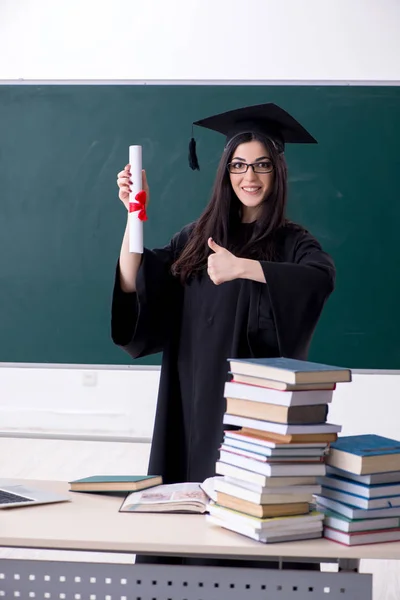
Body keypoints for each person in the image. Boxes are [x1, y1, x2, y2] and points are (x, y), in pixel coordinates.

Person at [111, 102, 336, 488]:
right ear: (226, 172)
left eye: (262, 164)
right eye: (239, 164)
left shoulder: (292, 242)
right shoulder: (195, 238)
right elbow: (134, 281)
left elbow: (319, 279)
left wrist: (244, 268)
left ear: (277, 171)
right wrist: (135, 214)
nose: (250, 176)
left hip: (252, 409)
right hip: (190, 398)